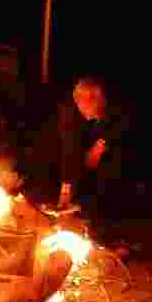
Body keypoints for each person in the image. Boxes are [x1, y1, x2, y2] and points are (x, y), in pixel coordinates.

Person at [55, 77, 133, 239]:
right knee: (77, 167)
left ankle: (106, 217)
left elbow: (119, 128)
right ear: (79, 103)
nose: (97, 112)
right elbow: (69, 152)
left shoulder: (115, 110)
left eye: (100, 107)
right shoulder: (68, 114)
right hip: (80, 145)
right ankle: (79, 210)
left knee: (109, 166)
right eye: (93, 109)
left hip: (110, 147)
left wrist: (101, 144)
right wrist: (66, 191)